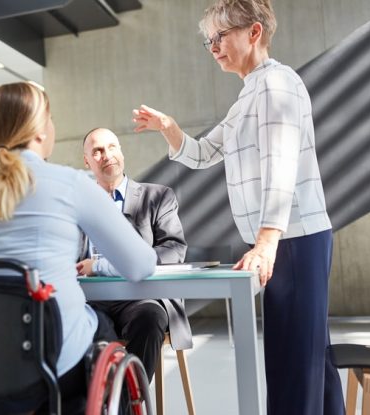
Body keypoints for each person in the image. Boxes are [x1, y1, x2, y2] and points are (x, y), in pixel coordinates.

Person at [132, 0, 343, 413]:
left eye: (221, 36)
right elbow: (202, 153)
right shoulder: (249, 95)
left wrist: (267, 240)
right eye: (209, 40)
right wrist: (169, 128)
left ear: (253, 32)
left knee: (295, 361)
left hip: (292, 239)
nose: (213, 47)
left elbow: (280, 162)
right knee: (309, 356)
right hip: (285, 240)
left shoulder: (276, 84)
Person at [0, 82, 158, 413]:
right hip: (59, 361)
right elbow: (139, 264)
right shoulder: (71, 183)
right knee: (98, 329)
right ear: (41, 131)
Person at [76, 127, 191, 383]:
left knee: (150, 319)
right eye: (97, 151)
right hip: (91, 301)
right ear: (87, 160)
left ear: (121, 151)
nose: (106, 155)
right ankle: (99, 402)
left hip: (141, 297)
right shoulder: (78, 204)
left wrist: (101, 265)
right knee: (71, 327)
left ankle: (128, 404)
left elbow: (173, 250)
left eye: (111, 147)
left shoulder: (157, 196)